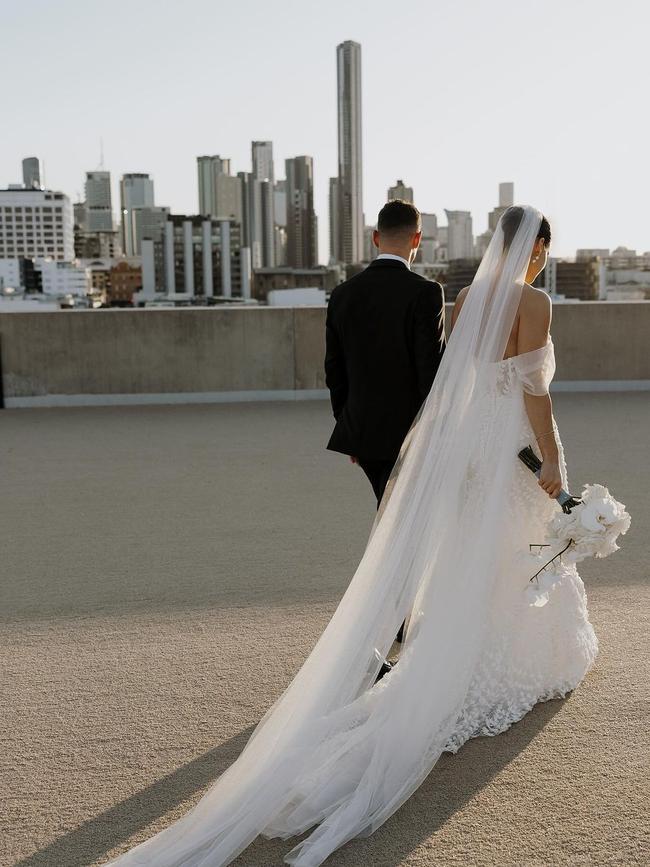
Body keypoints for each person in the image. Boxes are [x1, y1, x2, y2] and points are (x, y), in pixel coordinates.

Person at [104, 206, 597, 867]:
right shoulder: (532, 300)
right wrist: (554, 460)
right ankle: (505, 655)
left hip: (474, 447)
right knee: (518, 546)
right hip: (512, 440)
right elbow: (534, 390)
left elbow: (462, 381)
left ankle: (454, 648)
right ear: (531, 247)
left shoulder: (470, 296)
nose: (540, 258)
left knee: (473, 552)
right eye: (541, 248)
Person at [325, 199, 446, 507]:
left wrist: (350, 425)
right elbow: (430, 373)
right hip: (410, 435)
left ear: (376, 238)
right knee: (404, 517)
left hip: (363, 432)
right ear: (417, 239)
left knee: (391, 512)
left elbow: (334, 371)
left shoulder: (342, 294)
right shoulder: (426, 292)